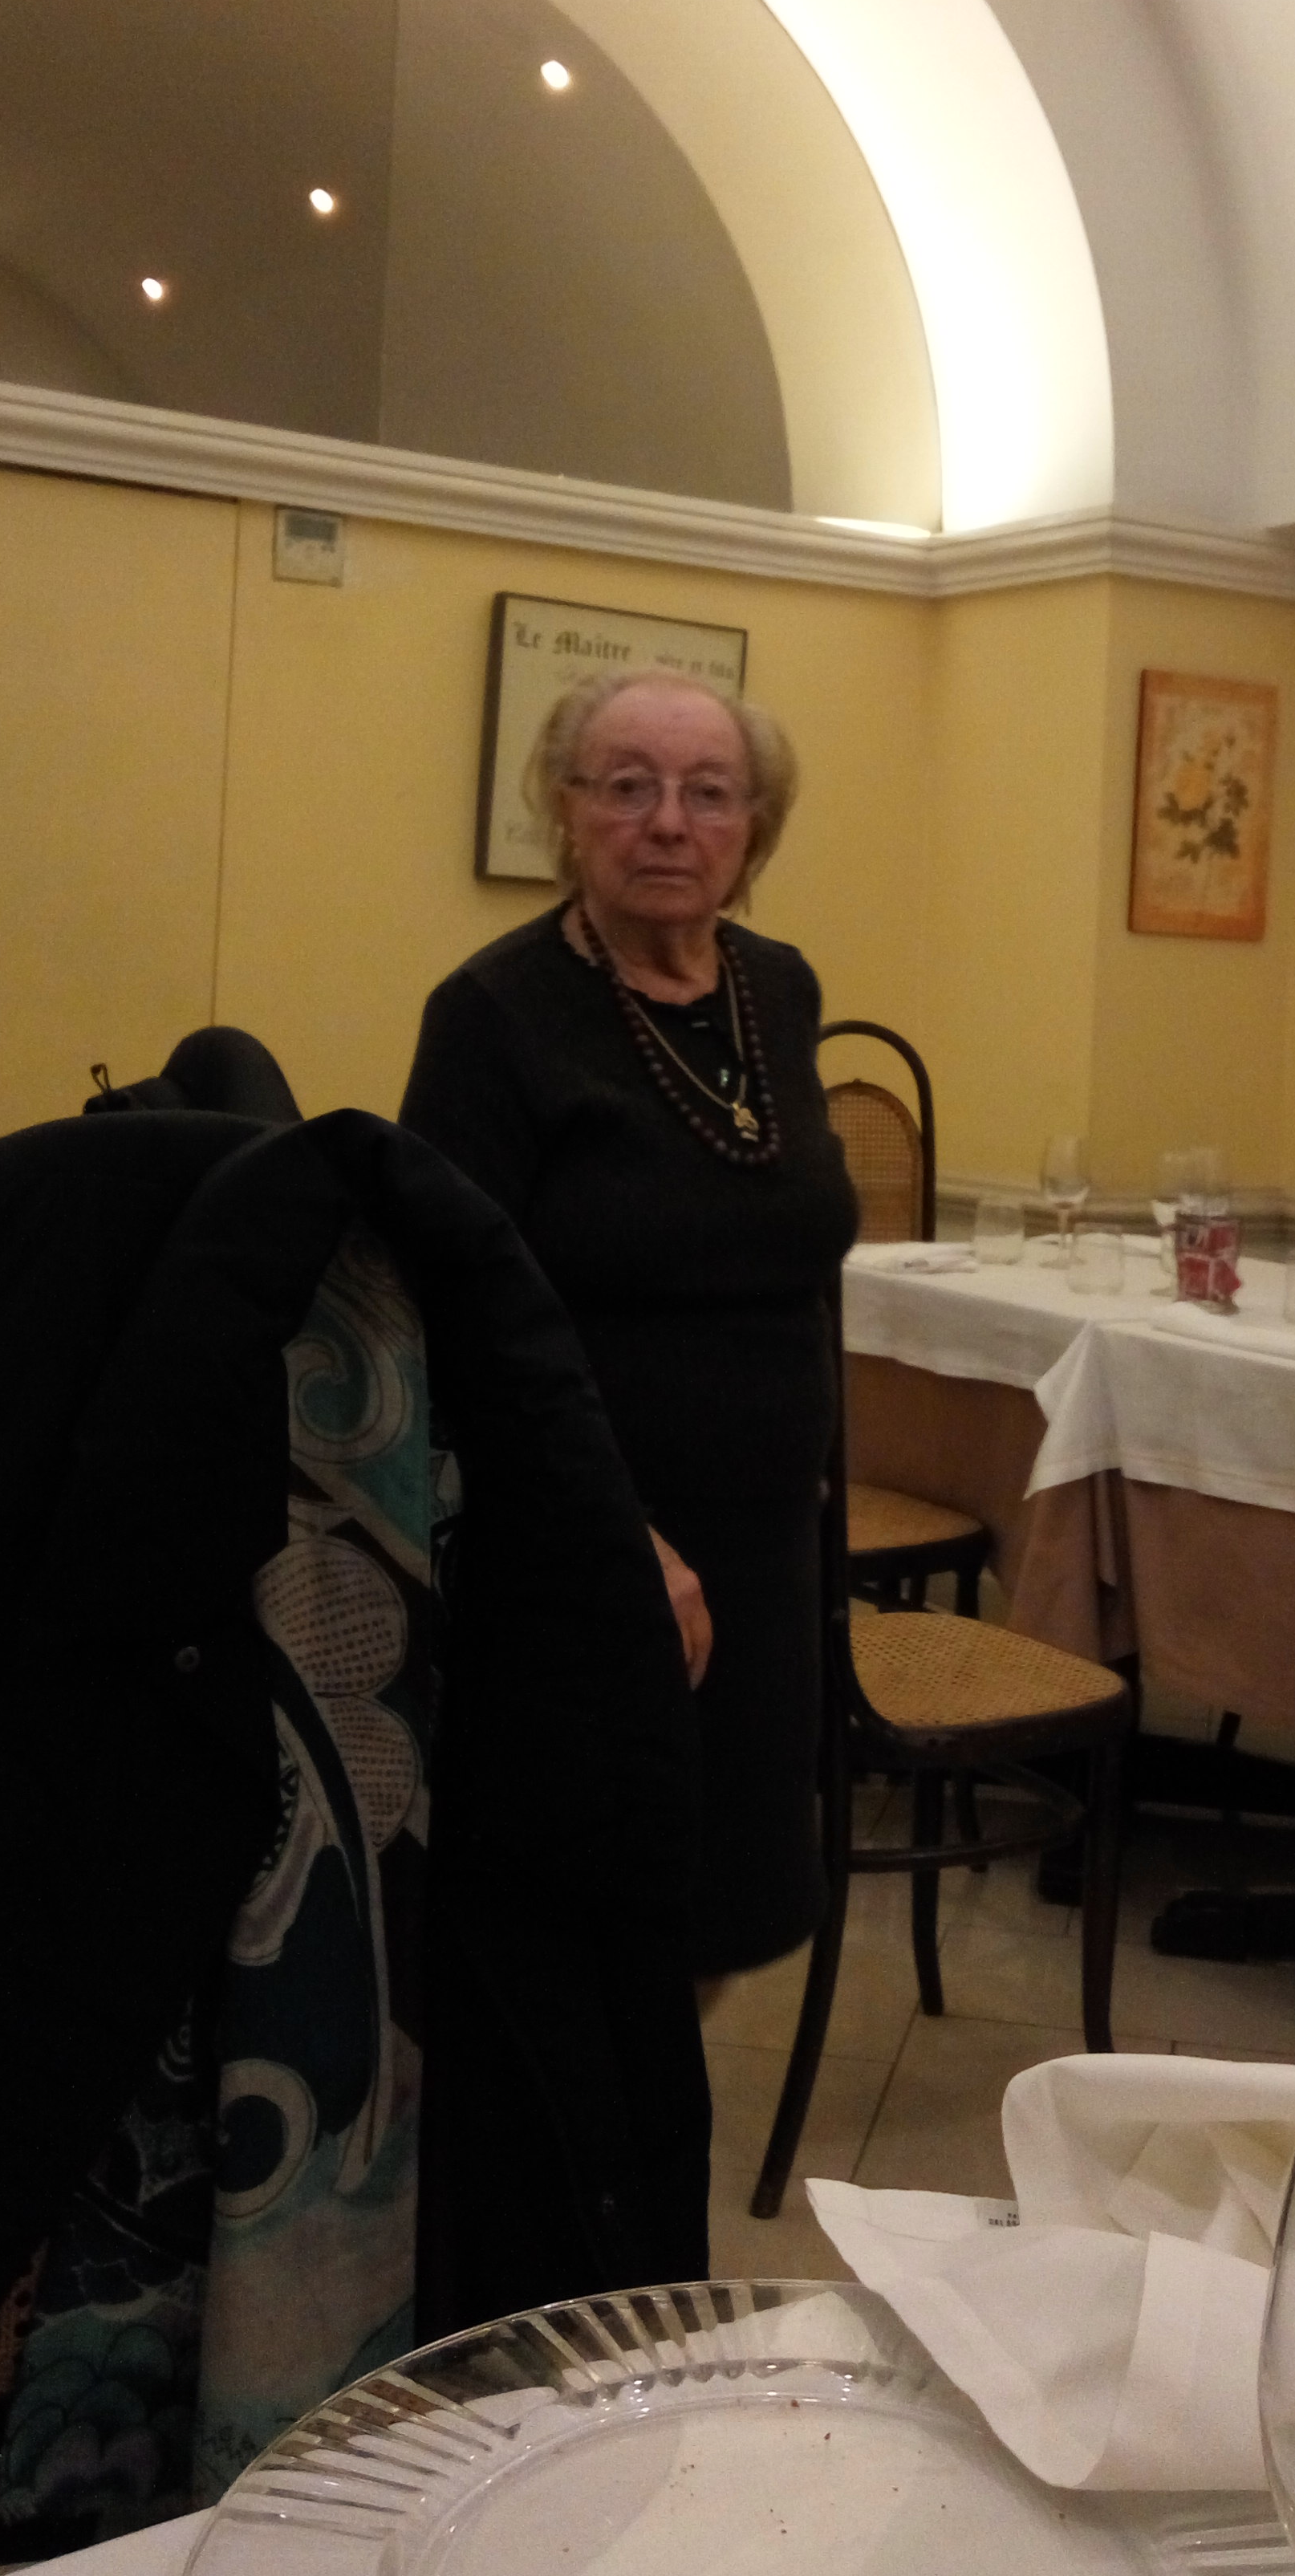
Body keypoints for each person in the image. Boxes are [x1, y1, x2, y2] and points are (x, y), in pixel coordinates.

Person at [400, 669, 858, 1977]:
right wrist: (617, 1539)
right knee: (587, 1927)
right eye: (629, 787)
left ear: (754, 826)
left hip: (764, 1549)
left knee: (722, 1920)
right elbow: (450, 1313)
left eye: (709, 793)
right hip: (585, 1548)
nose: (669, 822)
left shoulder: (778, 989)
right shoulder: (495, 1014)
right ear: (566, 808)